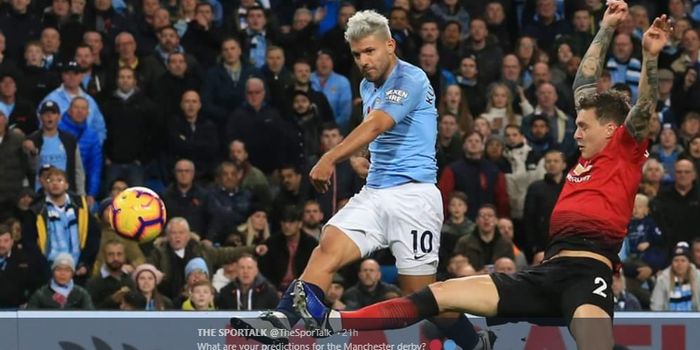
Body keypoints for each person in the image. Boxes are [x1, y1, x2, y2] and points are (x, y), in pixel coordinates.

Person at [287, 4, 670, 350]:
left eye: (584, 127)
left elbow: (645, 108)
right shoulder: (590, 147)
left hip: (589, 273)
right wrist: (604, 29)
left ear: (611, 128)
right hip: (545, 271)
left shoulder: (627, 149)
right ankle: (332, 322)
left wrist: (649, 58)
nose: (576, 133)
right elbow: (582, 85)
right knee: (436, 296)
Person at [231, 10, 490, 349]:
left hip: (414, 199)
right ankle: (281, 323)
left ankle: (476, 342)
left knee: (423, 299)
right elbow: (388, 137)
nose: (364, 61)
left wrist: (329, 156)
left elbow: (377, 125)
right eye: (356, 54)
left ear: (390, 45)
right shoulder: (367, 84)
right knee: (328, 247)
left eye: (370, 51)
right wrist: (370, 164)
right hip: (375, 192)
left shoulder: (411, 79)